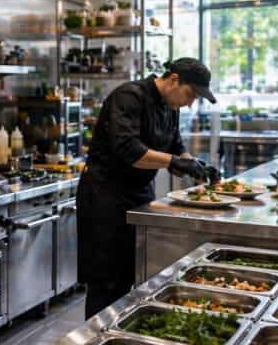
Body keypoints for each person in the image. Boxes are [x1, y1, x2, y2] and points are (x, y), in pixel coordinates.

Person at [76, 58, 219, 319]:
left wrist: (195, 165)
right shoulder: (129, 96)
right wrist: (176, 162)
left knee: (133, 273)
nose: (190, 103)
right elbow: (128, 150)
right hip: (105, 195)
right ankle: (95, 341)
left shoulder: (169, 107)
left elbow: (175, 146)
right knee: (107, 279)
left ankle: (118, 332)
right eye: (191, 95)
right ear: (174, 79)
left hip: (139, 194)